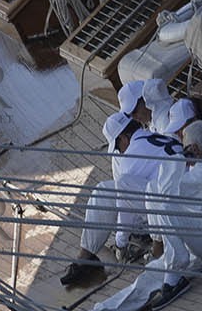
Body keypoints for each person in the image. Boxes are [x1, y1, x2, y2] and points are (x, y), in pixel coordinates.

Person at [79, 120, 202, 311]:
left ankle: (174, 277)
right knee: (151, 276)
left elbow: (166, 195)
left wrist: (178, 160)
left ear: (193, 148)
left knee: (166, 205)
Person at [60, 112, 184, 287]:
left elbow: (126, 205)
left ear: (124, 137)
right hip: (178, 195)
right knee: (104, 190)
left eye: (117, 146)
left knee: (116, 189)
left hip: (172, 209)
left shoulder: (132, 155)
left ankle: (84, 259)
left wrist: (121, 243)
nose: (119, 151)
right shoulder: (153, 137)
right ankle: (84, 257)